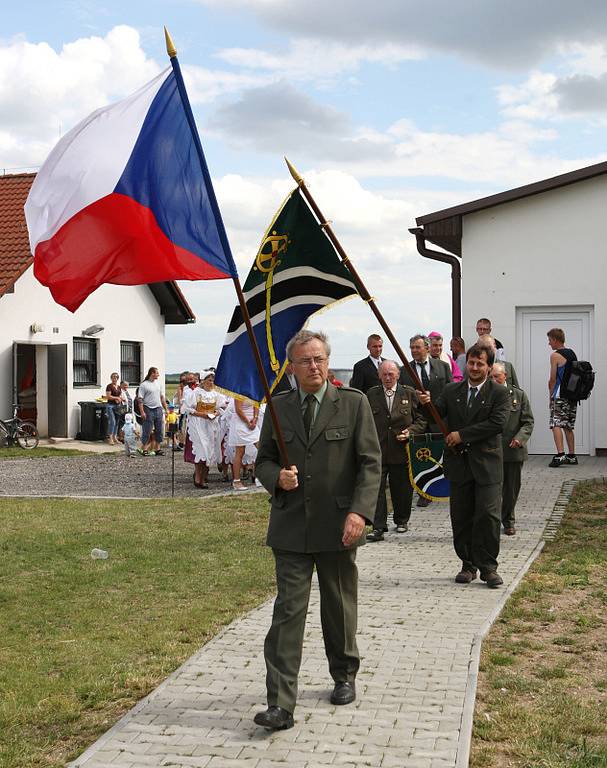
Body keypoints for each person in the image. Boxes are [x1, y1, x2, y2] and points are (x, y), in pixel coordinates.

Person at [254, 330, 381, 730]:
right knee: (288, 612)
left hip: (339, 525)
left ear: (328, 361)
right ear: (291, 368)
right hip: (291, 526)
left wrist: (360, 513)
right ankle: (280, 704)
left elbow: (371, 464)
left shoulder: (353, 404)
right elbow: (263, 461)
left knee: (338, 606)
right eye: (305, 361)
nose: (314, 366)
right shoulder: (278, 408)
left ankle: (343, 674)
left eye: (320, 359)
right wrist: (278, 478)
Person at [420, 344, 510, 588]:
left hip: (487, 465)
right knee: (461, 517)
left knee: (488, 516)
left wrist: (462, 435)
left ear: (489, 366)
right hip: (459, 465)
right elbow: (434, 415)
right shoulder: (451, 390)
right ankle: (467, 564)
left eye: (480, 364)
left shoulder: (499, 393)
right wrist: (425, 404)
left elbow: (497, 424)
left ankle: (488, 568)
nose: (474, 368)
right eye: (471, 363)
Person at [365, 360, 426, 541]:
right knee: (376, 489)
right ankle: (378, 527)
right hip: (379, 450)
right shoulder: (372, 394)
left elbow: (422, 420)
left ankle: (401, 521)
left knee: (401, 489)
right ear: (379, 376)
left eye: (391, 374)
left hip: (401, 451)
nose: (388, 377)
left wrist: (410, 432)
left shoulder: (409, 393)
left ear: (398, 374)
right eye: (384, 374)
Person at [399, 334, 452, 507]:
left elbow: (450, 390)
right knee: (420, 456)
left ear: (427, 348)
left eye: (417, 347)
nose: (414, 350)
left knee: (438, 455)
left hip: (438, 419)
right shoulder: (404, 370)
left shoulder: (443, 367)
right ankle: (422, 491)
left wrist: (434, 399)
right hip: (417, 421)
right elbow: (402, 393)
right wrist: (415, 396)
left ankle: (440, 487)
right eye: (412, 347)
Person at [491, 362, 534, 535]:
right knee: (491, 489)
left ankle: (508, 520)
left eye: (496, 376)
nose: (493, 379)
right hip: (490, 451)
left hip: (512, 450)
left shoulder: (518, 395)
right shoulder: (485, 394)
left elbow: (528, 421)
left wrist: (520, 438)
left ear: (505, 376)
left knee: (510, 489)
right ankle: (491, 521)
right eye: (491, 376)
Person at [182, 370, 228, 488]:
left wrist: (216, 413)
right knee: (201, 450)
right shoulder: (196, 393)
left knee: (209, 451)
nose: (211, 382)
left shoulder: (216, 394)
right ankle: (198, 478)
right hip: (198, 424)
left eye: (212, 380)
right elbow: (187, 408)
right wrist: (201, 414)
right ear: (203, 381)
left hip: (211, 425)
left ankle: (203, 478)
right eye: (209, 380)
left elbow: (223, 406)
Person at [547, 328, 578, 467]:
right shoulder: (572, 353)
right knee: (568, 425)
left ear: (554, 339)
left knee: (556, 423)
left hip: (560, 394)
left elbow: (553, 379)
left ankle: (560, 455)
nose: (549, 343)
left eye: (549, 340)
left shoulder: (555, 355)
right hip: (572, 395)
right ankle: (572, 456)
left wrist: (551, 396)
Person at [228, 397, 260, 490]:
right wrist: (247, 422)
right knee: (240, 452)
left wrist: (255, 418)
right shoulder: (238, 391)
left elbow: (256, 404)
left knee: (261, 448)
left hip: (252, 422)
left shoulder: (252, 389)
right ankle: (236, 481)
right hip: (240, 422)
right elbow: (238, 410)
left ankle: (259, 476)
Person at [137, 367, 168, 457]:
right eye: (157, 373)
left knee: (159, 429)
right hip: (148, 408)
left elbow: (162, 397)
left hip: (158, 408)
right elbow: (140, 399)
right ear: (152, 373)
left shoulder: (158, 384)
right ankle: (145, 449)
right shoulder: (144, 385)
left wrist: (165, 409)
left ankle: (157, 449)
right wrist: (142, 412)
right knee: (148, 429)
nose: (158, 375)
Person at [104, 372, 123, 445]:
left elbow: (119, 395)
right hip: (110, 406)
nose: (114, 378)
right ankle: (110, 438)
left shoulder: (118, 387)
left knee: (117, 422)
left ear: (117, 378)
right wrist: (116, 398)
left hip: (118, 406)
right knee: (112, 421)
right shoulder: (109, 386)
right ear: (111, 378)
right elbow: (108, 396)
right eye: (113, 377)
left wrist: (120, 399)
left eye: (116, 377)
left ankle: (115, 437)